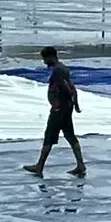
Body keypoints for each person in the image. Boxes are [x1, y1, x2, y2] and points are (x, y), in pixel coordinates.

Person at [24, 45, 86, 176]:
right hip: (65, 108)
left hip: (59, 110)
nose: (44, 62)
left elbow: (66, 87)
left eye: (44, 59)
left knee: (49, 136)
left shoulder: (58, 71)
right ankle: (80, 165)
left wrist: (59, 105)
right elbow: (72, 86)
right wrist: (75, 103)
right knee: (70, 135)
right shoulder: (63, 68)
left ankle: (39, 166)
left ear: (50, 57)